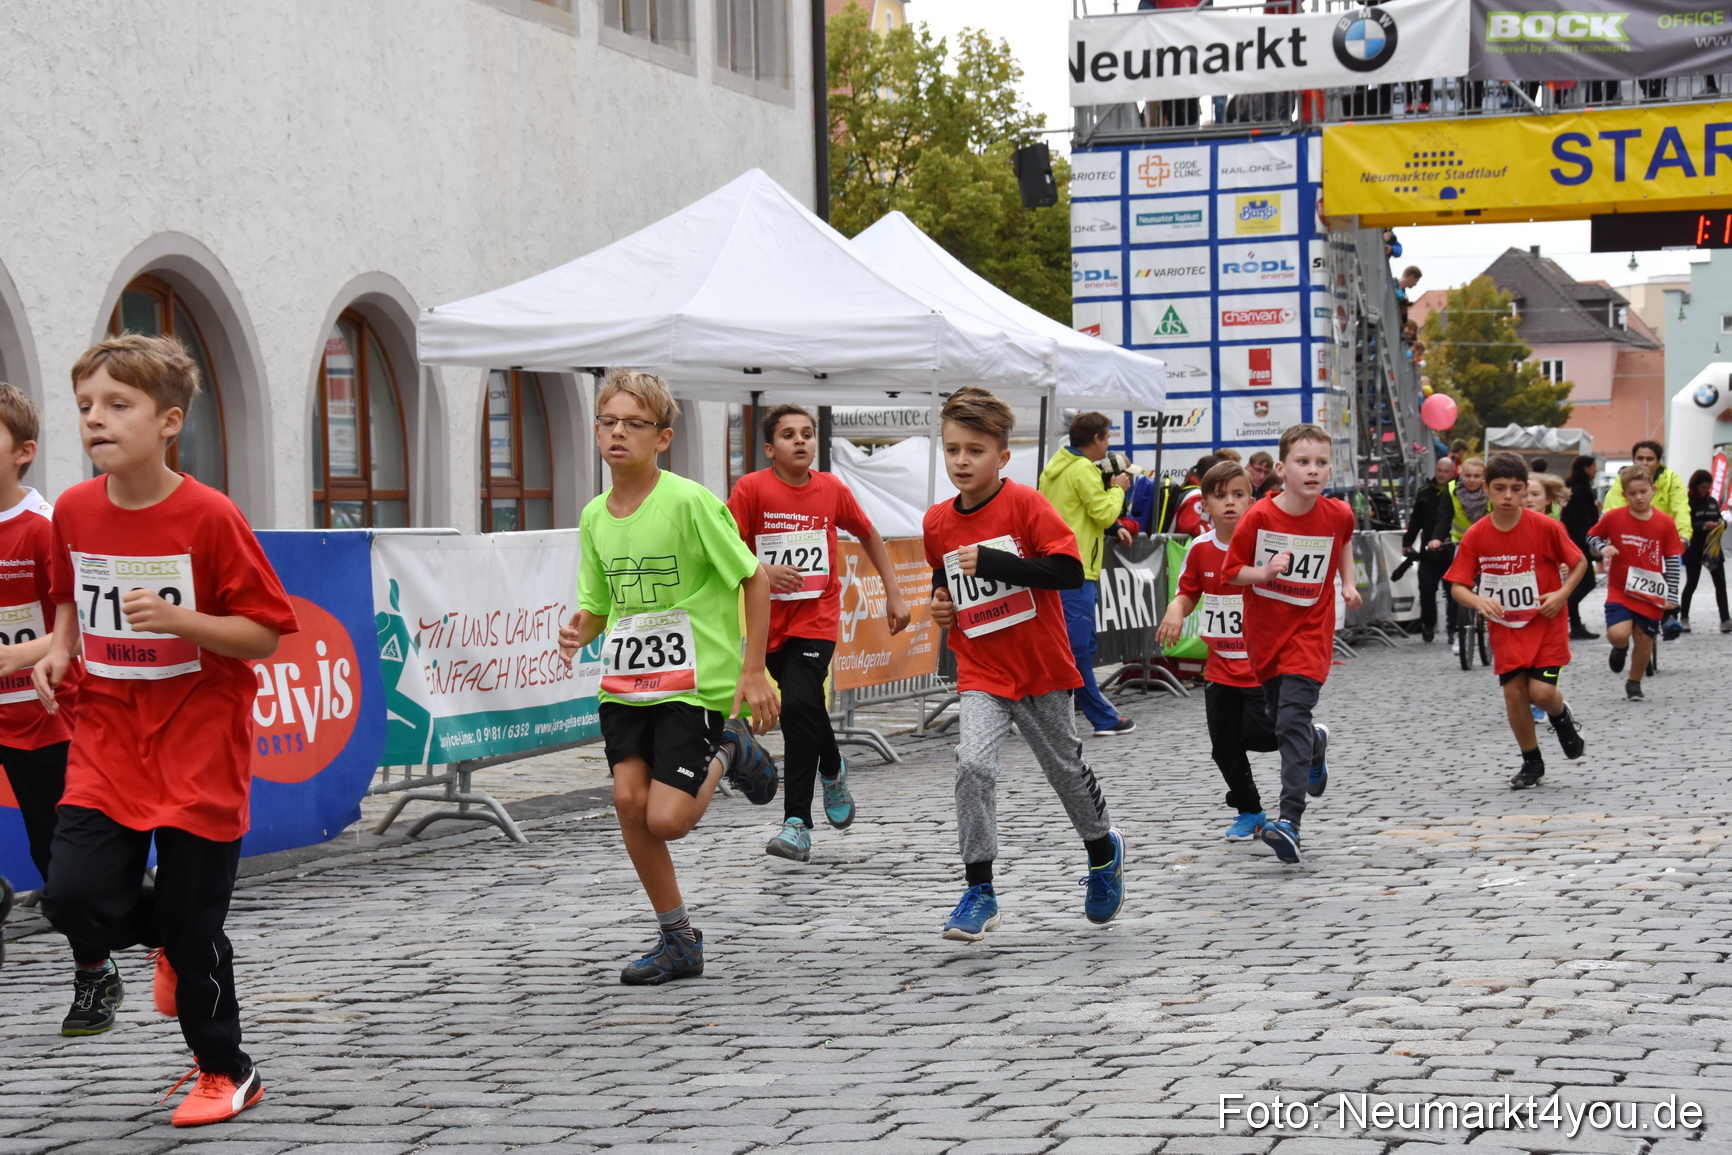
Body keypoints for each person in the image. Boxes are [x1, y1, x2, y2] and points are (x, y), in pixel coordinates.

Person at [34, 335, 300, 1126]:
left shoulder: (210, 516)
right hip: (108, 738)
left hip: (199, 745)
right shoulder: (75, 510)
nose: (96, 420)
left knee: (194, 925)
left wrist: (183, 619)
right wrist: (60, 648)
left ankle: (225, 1067)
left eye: (119, 405)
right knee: (73, 896)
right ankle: (170, 942)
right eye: (86, 406)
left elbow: (264, 633)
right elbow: (68, 596)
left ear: (168, 420)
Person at [557, 370, 781, 984]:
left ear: (663, 438)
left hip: (693, 683)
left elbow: (753, 578)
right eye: (609, 422)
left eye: (635, 423)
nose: (618, 433)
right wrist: (582, 629)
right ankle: (677, 938)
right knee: (629, 803)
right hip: (627, 684)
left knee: (669, 820)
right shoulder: (595, 515)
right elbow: (600, 603)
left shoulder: (688, 502)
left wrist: (753, 669)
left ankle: (729, 746)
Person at [924, 387, 1123, 941]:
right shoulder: (937, 521)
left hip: (1039, 667)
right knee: (972, 766)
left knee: (1063, 771)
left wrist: (995, 560)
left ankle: (1103, 851)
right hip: (983, 670)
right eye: (953, 450)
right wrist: (941, 606)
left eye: (976, 451)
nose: (962, 461)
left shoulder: (1027, 505)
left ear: (1002, 457)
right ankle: (979, 887)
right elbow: (946, 584)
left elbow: (1064, 571)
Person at [728, 405, 910, 862]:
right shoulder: (751, 489)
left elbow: (867, 533)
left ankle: (797, 824)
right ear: (770, 448)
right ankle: (833, 766)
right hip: (767, 622)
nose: (800, 441)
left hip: (817, 620)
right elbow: (725, 544)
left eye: (807, 433)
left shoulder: (831, 489)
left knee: (799, 705)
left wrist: (894, 592)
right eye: (788, 435)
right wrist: (762, 569)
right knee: (803, 707)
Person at [0, 383, 111, 1035]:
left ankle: (94, 971)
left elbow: (84, 625)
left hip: (42, 715)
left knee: (56, 861)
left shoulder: (44, 527)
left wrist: (19, 657)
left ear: (24, 452)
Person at [1225, 423, 1360, 865]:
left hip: (1310, 634)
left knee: (1289, 721)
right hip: (1266, 638)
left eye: (1321, 463)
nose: (1314, 470)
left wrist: (1348, 584)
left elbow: (1343, 544)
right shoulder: (1260, 517)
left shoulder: (1339, 513)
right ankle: (1315, 746)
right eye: (1303, 462)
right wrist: (1264, 573)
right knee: (1280, 721)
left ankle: (1290, 822)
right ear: (1282, 469)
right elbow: (1232, 571)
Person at [1444, 454, 1588, 790]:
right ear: (1486, 489)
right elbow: (1458, 586)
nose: (1508, 495)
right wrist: (1478, 600)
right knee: (1514, 694)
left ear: (1525, 489)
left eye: (1515, 488)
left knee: (1540, 692)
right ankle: (1531, 761)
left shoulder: (1547, 527)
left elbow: (1579, 562)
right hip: (1507, 627)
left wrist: (1562, 594)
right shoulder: (1477, 535)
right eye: (1500, 488)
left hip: (1546, 623)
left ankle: (1561, 717)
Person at [1157, 461, 1276, 841]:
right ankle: (1250, 811)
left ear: (1251, 501)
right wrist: (1174, 612)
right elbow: (1188, 592)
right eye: (1219, 496)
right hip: (1221, 667)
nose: (1229, 503)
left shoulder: (1265, 545)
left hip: (1261, 666)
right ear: (1204, 505)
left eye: (1238, 495)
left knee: (1265, 736)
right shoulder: (1201, 548)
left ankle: (1309, 741)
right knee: (1224, 748)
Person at [1038, 412, 1135, 739]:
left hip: (1055, 566)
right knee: (1077, 648)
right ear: (1096, 439)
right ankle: (1102, 717)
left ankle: (1062, 714)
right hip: (1076, 569)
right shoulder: (1083, 470)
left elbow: (1077, 513)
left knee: (1072, 645)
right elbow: (1103, 511)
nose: (1108, 444)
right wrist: (1119, 490)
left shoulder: (1056, 467)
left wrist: (1116, 527)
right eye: (1107, 438)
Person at [1589, 465, 1683, 702]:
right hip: (1621, 588)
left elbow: (1672, 560)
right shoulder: (1614, 517)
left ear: (1653, 490)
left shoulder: (1665, 522)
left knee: (1645, 639)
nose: (1639, 497)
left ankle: (1634, 682)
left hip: (1651, 590)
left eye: (1643, 491)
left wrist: (1672, 595)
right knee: (1618, 633)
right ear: (1625, 495)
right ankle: (1620, 648)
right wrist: (1602, 548)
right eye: (1633, 493)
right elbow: (1592, 536)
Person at [1428, 455, 1489, 652]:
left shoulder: (1491, 491)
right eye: (1468, 475)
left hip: (1487, 542)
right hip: (1461, 543)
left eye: (1476, 476)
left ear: (1483, 479)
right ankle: (1458, 632)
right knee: (1458, 587)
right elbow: (1443, 517)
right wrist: (1437, 538)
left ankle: (1492, 626)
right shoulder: (1452, 490)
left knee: (1492, 584)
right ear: (1460, 475)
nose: (1471, 480)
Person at [1403, 456, 1456, 642]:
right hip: (1428, 551)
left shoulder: (1457, 492)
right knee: (1426, 590)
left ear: (1453, 473)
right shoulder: (1425, 492)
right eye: (1439, 470)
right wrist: (1407, 542)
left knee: (1453, 593)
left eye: (1446, 471)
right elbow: (1415, 520)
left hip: (1451, 552)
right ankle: (1428, 624)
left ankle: (1453, 629)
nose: (1442, 475)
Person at [1603, 441, 1691, 543]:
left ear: (1658, 462)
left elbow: (1681, 509)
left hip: (1662, 539)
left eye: (1649, 459)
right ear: (1633, 461)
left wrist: (1683, 537)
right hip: (1630, 539)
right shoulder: (1622, 480)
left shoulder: (1671, 480)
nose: (1644, 463)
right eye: (1640, 458)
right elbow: (1615, 510)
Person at [1680, 469, 1730, 634]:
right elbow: (1684, 524)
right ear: (1695, 486)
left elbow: (1718, 518)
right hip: (1694, 549)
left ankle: (1725, 619)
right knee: (1691, 584)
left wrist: (1721, 523)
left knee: (1720, 585)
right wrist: (1702, 525)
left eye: (1708, 487)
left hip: (1712, 549)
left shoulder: (1711, 501)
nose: (1705, 491)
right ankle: (1684, 618)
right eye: (1702, 487)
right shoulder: (1686, 501)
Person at [1561, 454, 1600, 640]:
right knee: (1586, 583)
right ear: (1585, 468)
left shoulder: (1578, 486)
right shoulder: (1578, 489)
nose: (1596, 469)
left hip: (1579, 541)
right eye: (1593, 466)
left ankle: (1575, 624)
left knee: (1580, 583)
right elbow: (1580, 520)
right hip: (1579, 543)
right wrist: (1589, 542)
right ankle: (1569, 615)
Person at [1172, 454, 1220, 538]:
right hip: (1181, 548)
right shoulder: (1196, 496)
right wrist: (1212, 533)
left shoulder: (1197, 492)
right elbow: (1188, 527)